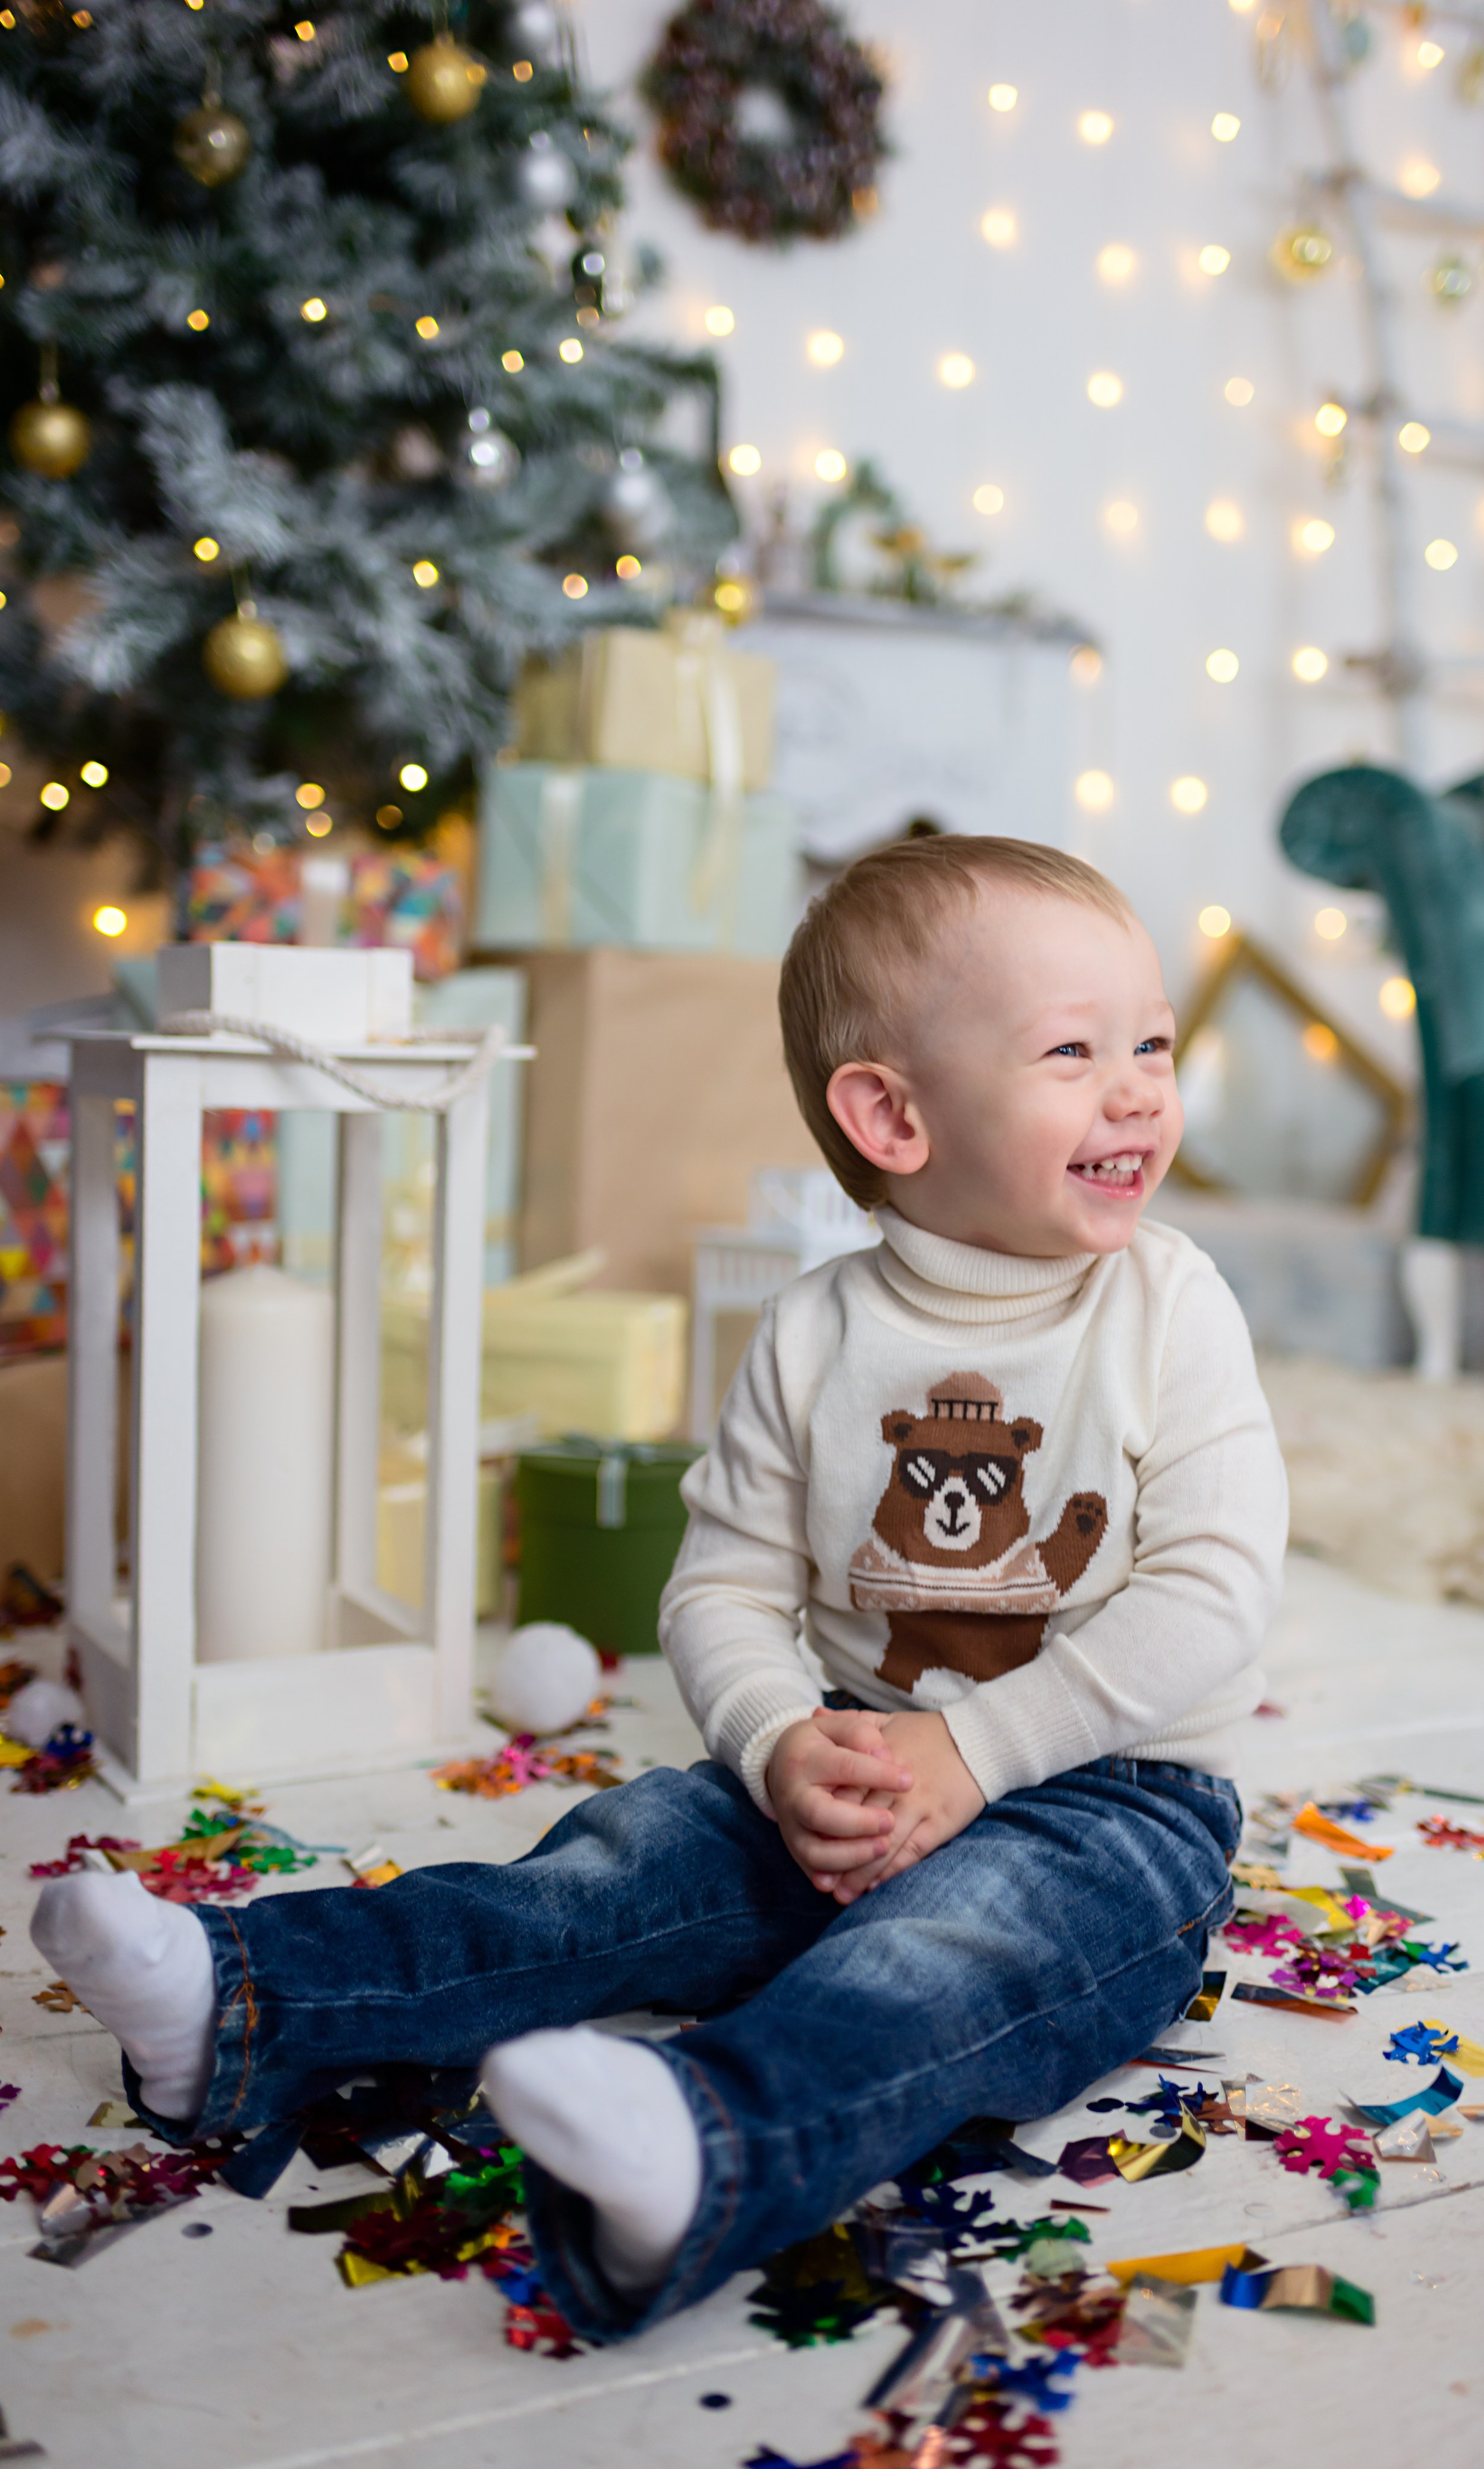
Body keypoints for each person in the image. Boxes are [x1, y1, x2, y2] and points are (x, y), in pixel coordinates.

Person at [32, 837, 1286, 2342]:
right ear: (889, 1114)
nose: (1140, 1087)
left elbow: (1211, 1590)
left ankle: (706, 2141)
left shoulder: (1168, 1303)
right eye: (1074, 1052)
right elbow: (724, 1590)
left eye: (1149, 1041)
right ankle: (238, 1994)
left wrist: (981, 1752)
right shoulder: (816, 1329)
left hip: (1107, 1798)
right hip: (849, 1755)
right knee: (610, 1867)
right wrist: (773, 1746)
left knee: (935, 1959)